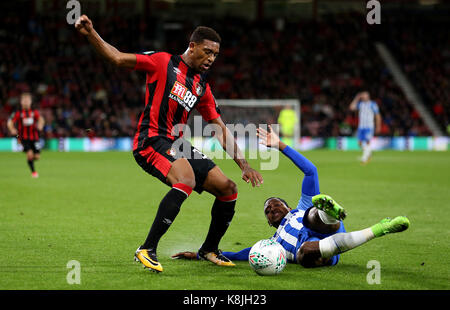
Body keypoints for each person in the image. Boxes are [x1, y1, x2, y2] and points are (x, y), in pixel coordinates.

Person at [75, 15, 263, 273]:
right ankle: (147, 248)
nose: (211, 58)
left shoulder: (201, 85)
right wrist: (91, 33)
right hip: (150, 139)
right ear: (192, 46)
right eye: (207, 51)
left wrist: (243, 164)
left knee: (227, 188)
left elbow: (219, 128)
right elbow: (117, 58)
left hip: (177, 142)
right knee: (185, 178)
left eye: (216, 55)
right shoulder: (162, 62)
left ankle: (209, 249)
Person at [172, 126, 409, 267]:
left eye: (275, 206)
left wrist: (280, 145)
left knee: (310, 215)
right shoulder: (271, 244)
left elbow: (311, 170)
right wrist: (199, 255)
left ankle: (329, 212)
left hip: (325, 227)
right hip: (317, 252)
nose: (272, 209)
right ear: (269, 223)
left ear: (287, 207)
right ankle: (378, 229)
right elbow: (236, 254)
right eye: (268, 211)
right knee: (303, 253)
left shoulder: (299, 208)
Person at [7, 92, 45, 178]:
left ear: (31, 102)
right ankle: (34, 172)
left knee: (37, 157)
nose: (26, 102)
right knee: (30, 153)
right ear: (21, 102)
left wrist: (40, 125)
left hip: (35, 137)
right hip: (21, 137)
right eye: (24, 100)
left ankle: (30, 159)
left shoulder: (34, 112)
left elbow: (41, 119)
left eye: (28, 100)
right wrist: (12, 129)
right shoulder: (18, 113)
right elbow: (10, 122)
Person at [349, 91, 382, 164]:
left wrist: (378, 126)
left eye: (364, 96)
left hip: (369, 126)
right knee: (359, 143)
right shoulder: (360, 104)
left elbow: (377, 115)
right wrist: (356, 98)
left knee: (367, 142)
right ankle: (368, 153)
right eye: (362, 96)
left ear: (368, 96)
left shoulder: (373, 104)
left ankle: (364, 158)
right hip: (361, 126)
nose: (363, 97)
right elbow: (351, 107)